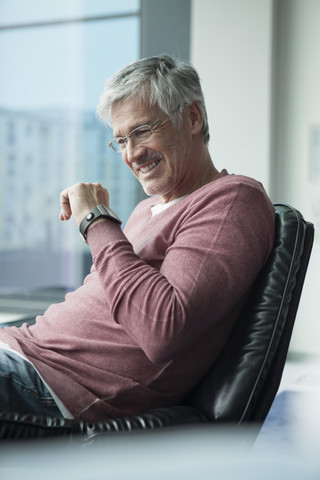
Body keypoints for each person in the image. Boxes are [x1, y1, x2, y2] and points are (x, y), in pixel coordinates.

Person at [0, 55, 275, 421]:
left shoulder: (232, 199)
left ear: (193, 118)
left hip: (54, 385)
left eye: (143, 131)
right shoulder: (145, 211)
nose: (131, 154)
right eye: (120, 141)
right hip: (22, 352)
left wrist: (95, 220)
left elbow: (163, 329)